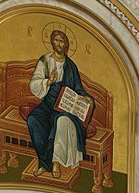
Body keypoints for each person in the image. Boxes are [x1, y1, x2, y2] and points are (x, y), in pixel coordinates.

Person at [26, 29, 92, 178]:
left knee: (61, 121)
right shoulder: (45, 61)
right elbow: (34, 84)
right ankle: (44, 163)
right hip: (48, 104)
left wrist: (87, 99)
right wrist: (48, 81)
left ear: (66, 45)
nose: (58, 44)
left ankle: (55, 163)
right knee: (33, 120)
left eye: (62, 41)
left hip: (64, 108)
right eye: (56, 40)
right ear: (52, 42)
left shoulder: (71, 67)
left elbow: (78, 89)